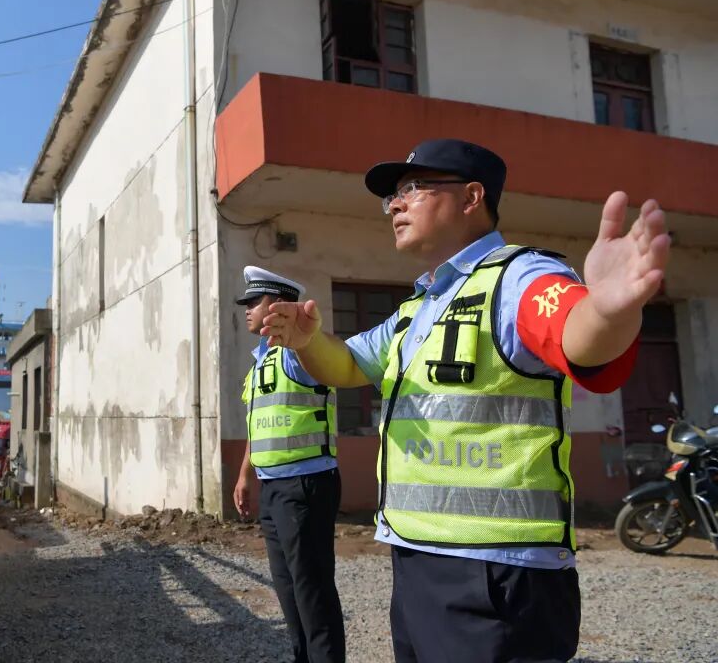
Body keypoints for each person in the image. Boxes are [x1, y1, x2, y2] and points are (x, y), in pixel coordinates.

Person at [261, 139, 669, 663]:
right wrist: (307, 341)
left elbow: (577, 335)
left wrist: (611, 313)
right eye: (391, 196)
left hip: (497, 576)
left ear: (472, 196)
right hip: (417, 555)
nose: (395, 204)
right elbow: (347, 366)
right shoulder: (420, 306)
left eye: (413, 188)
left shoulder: (519, 277)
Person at [233, 266, 346, 663]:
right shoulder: (260, 363)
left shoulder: (299, 354)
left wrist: (305, 336)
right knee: (289, 593)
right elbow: (257, 423)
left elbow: (332, 355)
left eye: (254, 301)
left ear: (279, 304)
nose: (247, 308)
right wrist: (245, 476)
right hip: (273, 489)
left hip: (306, 485)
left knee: (312, 593)